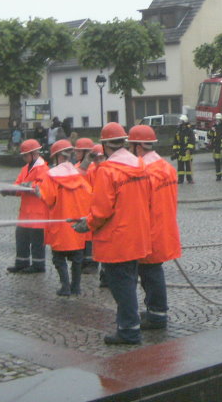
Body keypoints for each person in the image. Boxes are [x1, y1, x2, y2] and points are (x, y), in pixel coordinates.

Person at [73, 122, 152, 345]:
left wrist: (85, 224)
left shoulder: (108, 171)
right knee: (128, 281)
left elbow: (101, 211)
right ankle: (130, 325)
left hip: (117, 239)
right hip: (138, 234)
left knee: (121, 286)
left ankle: (128, 330)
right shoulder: (139, 164)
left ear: (106, 144)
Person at [127, 125, 181, 330]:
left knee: (150, 274)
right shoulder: (167, 168)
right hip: (165, 227)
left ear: (137, 146)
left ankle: (157, 314)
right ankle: (155, 310)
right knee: (152, 272)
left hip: (148, 230)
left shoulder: (143, 171)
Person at [38, 140, 92, 296]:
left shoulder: (52, 176)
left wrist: (38, 193)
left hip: (60, 224)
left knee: (59, 259)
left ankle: (65, 287)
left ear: (55, 157)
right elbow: (89, 195)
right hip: (76, 225)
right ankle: (76, 287)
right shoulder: (78, 175)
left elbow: (48, 199)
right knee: (77, 259)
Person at [1, 139, 49, 273]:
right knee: (21, 238)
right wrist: (8, 191)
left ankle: (38, 266)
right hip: (25, 213)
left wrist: (24, 186)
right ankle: (21, 263)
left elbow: (38, 186)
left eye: (25, 155)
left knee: (37, 242)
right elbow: (18, 186)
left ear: (34, 154)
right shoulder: (25, 169)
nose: (23, 157)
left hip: (38, 214)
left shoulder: (43, 169)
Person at [73, 137, 99, 275]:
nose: (76, 154)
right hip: (80, 206)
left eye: (78, 151)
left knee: (90, 237)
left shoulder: (93, 168)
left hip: (90, 207)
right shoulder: (78, 166)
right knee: (84, 236)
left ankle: (92, 263)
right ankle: (84, 261)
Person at [206, 113, 222, 182]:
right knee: (217, 163)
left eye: (218, 120)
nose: (217, 121)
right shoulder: (213, 128)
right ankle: (218, 176)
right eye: (216, 120)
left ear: (221, 120)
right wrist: (211, 130)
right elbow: (208, 136)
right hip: (216, 148)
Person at [172, 115, 196, 184]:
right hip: (180, 152)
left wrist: (189, 149)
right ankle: (180, 179)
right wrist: (175, 151)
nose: (179, 123)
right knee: (180, 167)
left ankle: (189, 179)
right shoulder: (178, 131)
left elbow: (192, 141)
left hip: (187, 152)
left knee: (188, 167)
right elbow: (175, 141)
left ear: (184, 122)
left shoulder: (189, 131)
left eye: (181, 121)